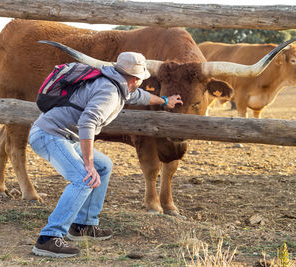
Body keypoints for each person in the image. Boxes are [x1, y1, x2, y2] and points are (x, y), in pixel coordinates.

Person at [30, 51, 183, 258]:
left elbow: (139, 96)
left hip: (62, 135)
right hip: (50, 135)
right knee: (85, 178)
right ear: (136, 78)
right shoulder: (109, 92)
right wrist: (88, 162)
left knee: (104, 166)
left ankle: (84, 225)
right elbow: (87, 123)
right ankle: (48, 238)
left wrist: (165, 100)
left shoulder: (117, 83)